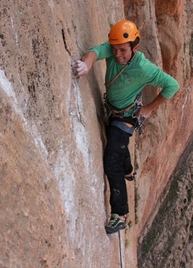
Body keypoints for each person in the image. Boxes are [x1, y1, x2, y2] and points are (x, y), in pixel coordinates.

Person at [71, 20, 180, 234]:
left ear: (135, 48)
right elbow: (94, 52)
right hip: (112, 111)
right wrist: (86, 65)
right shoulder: (112, 50)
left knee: (112, 159)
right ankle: (128, 169)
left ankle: (120, 214)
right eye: (115, 49)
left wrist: (148, 108)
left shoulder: (143, 67)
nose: (117, 54)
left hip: (125, 117)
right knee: (118, 146)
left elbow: (172, 86)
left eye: (122, 50)